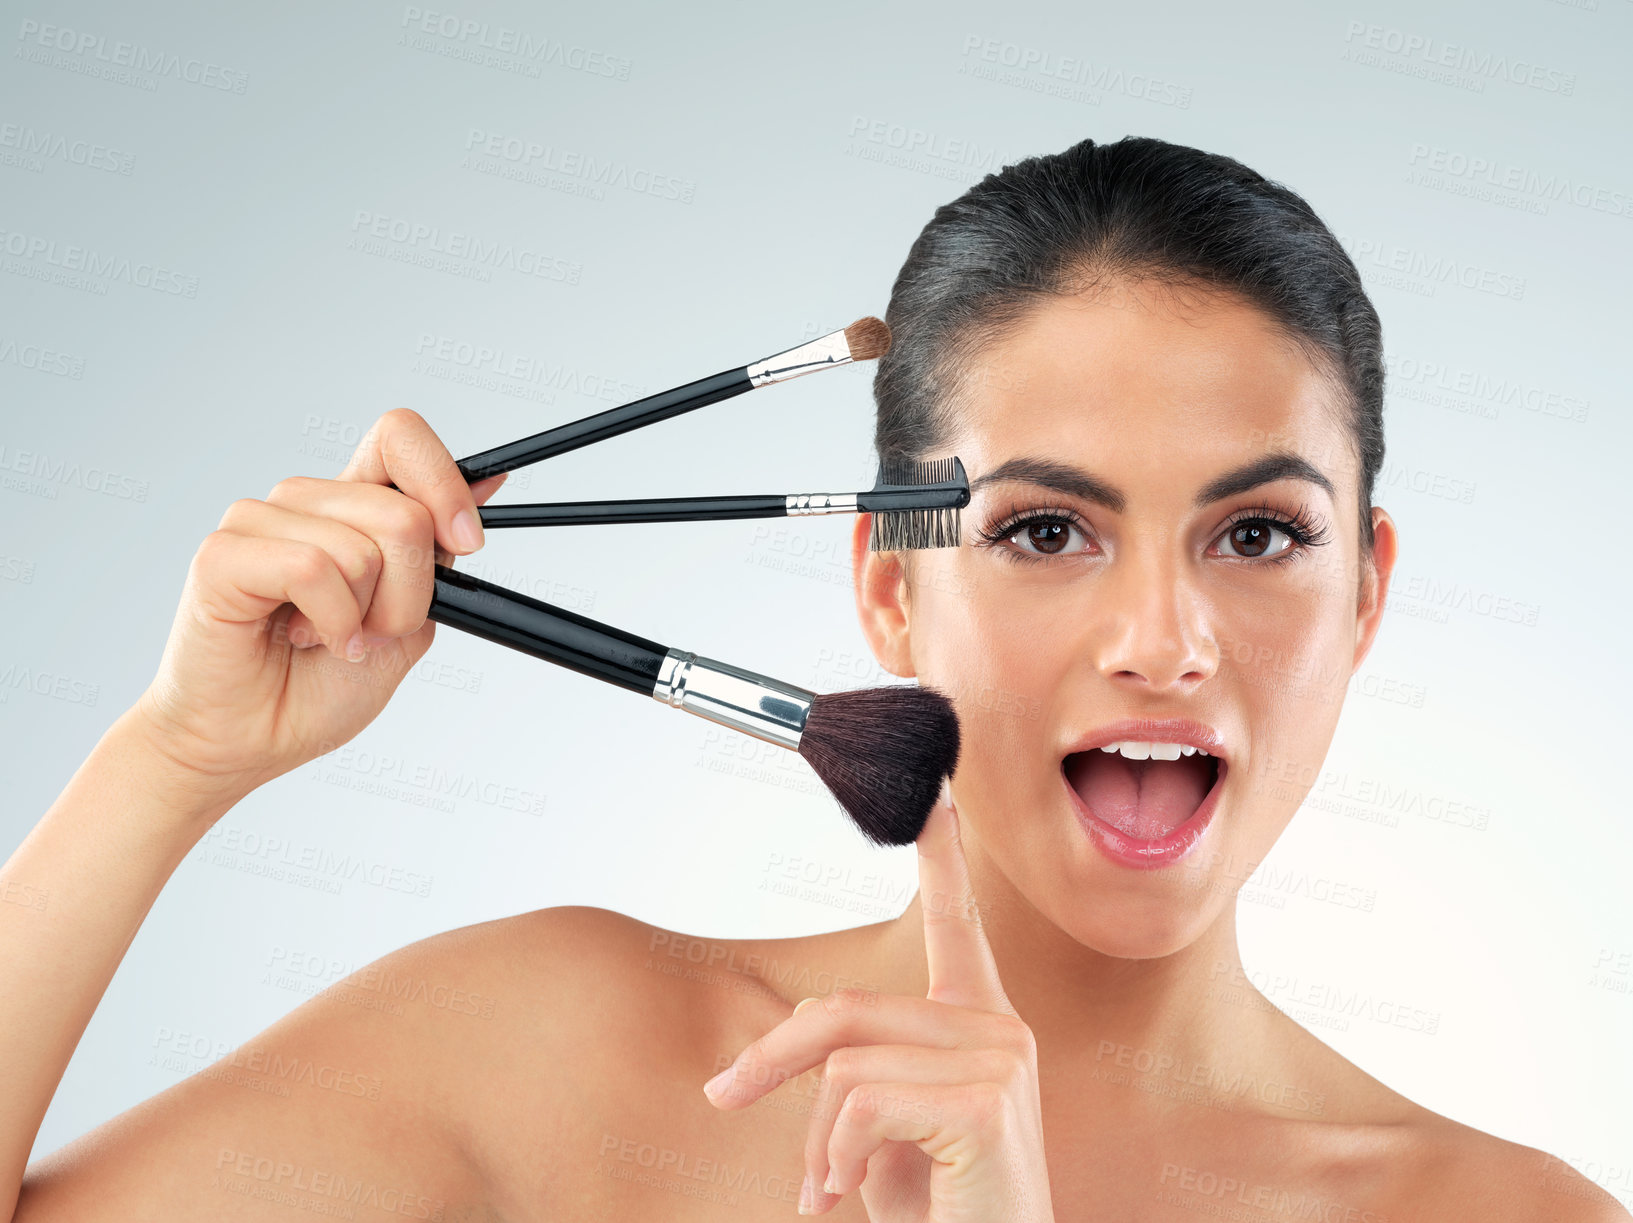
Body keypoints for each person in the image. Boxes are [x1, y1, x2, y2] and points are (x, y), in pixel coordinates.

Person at [2, 135, 1623, 1222]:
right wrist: (173, 762)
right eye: (1046, 529)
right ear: (889, 594)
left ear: (1366, 596)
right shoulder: (560, 1047)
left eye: (1258, 536)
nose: (1162, 639)